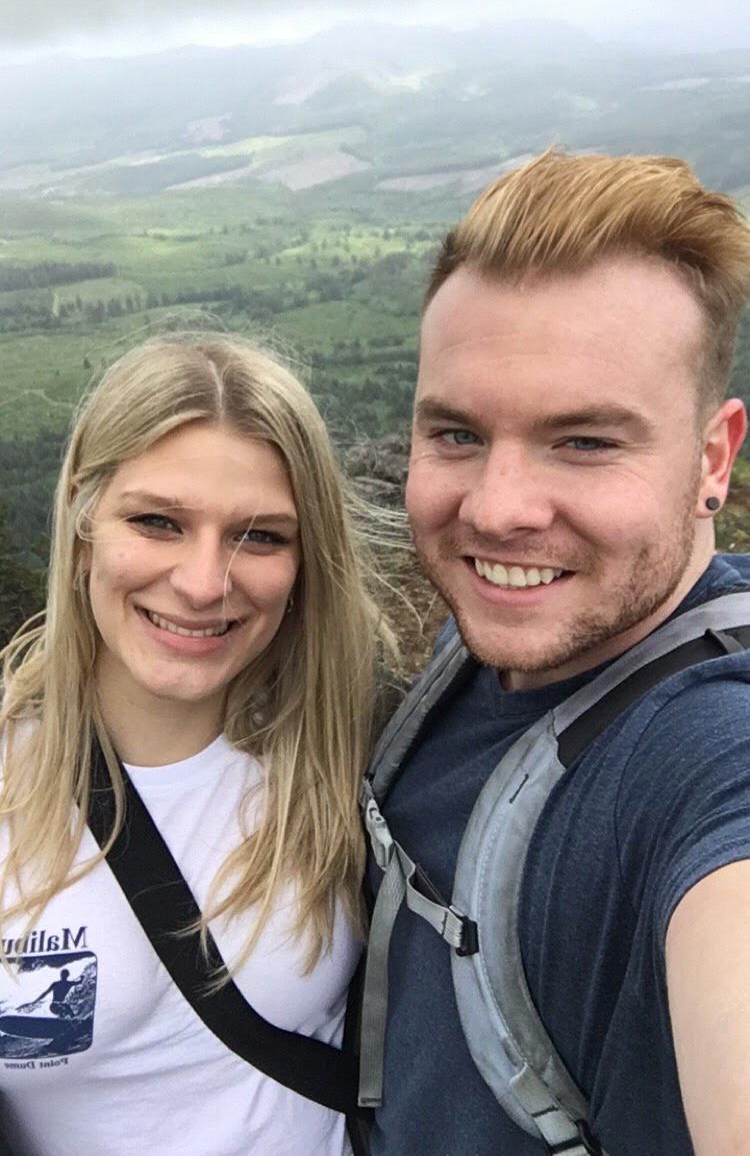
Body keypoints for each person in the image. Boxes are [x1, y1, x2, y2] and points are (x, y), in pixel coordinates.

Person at [366, 150, 750, 1156]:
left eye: (583, 441)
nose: (496, 509)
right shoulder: (487, 643)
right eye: (455, 432)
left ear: (713, 456)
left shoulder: (710, 754)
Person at [0, 332, 395, 1156]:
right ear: (81, 520)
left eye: (260, 536)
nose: (204, 582)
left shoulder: (358, 761)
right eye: (157, 522)